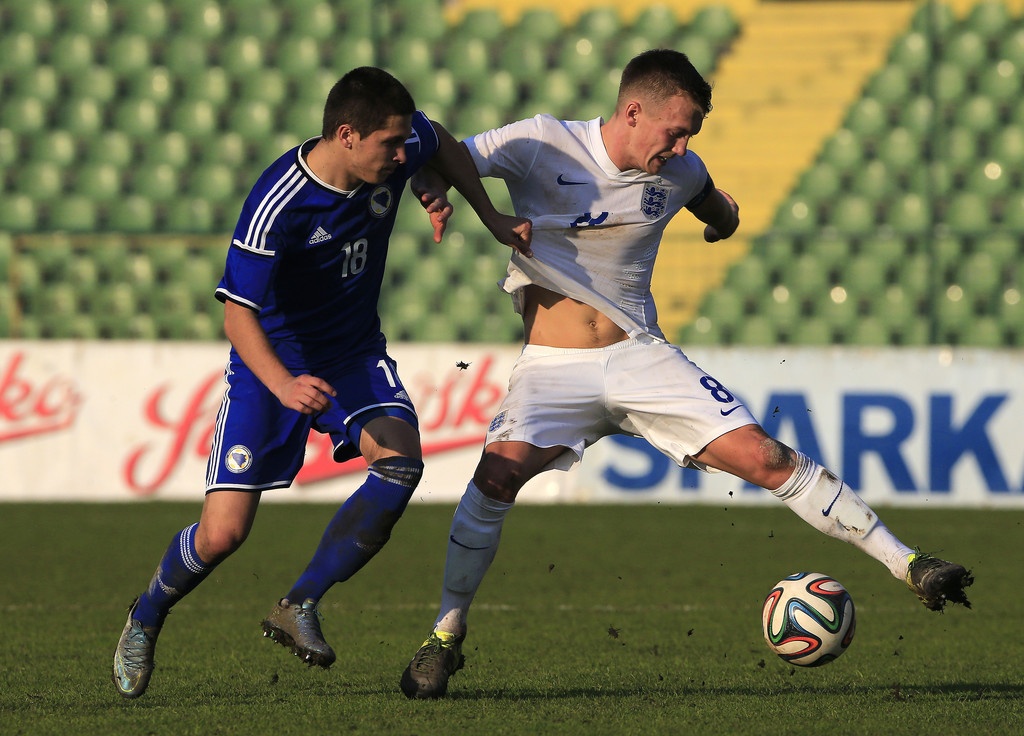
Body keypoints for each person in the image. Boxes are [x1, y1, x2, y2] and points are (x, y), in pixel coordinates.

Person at [399, 49, 974, 700]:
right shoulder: (541, 143)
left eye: (691, 135)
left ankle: (911, 564)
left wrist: (722, 222)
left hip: (641, 356)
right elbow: (441, 146)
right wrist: (433, 186)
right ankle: (445, 637)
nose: (681, 146)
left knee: (765, 454)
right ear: (634, 110)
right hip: (553, 369)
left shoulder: (679, 171)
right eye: (676, 130)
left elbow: (711, 202)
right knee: (494, 478)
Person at [111, 66, 532, 699]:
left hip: (354, 354)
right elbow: (236, 312)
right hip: (271, 366)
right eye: (389, 145)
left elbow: (437, 138)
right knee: (223, 533)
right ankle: (145, 616)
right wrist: (282, 384)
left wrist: (482, 211)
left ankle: (299, 602)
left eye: (400, 145)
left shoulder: (395, 152)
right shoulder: (279, 201)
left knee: (400, 463)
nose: (400, 152)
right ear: (345, 134)